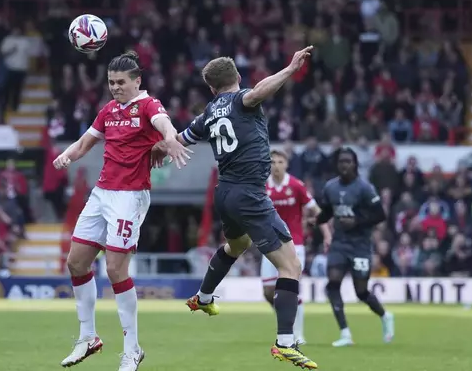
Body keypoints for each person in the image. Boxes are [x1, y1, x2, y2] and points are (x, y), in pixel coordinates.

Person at [152, 47, 317, 369]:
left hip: (225, 194)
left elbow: (181, 139)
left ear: (211, 88)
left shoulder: (207, 115)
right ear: (237, 78)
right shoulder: (242, 99)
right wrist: (290, 68)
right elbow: (258, 93)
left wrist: (160, 148)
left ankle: (204, 296)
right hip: (250, 194)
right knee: (291, 267)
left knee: (237, 244)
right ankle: (285, 342)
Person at [52, 50, 190, 371]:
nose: (115, 87)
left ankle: (132, 349)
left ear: (137, 80)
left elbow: (164, 125)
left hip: (130, 197)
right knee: (76, 263)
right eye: (111, 82)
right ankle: (88, 337)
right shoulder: (109, 110)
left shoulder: (148, 105)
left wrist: (170, 140)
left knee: (115, 270)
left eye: (121, 82)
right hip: (101, 193)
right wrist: (68, 156)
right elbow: (86, 142)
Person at [313, 147, 395, 347]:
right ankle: (345, 333)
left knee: (361, 292)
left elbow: (380, 215)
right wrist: (314, 220)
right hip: (339, 244)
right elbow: (326, 213)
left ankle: (385, 316)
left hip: (360, 245)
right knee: (332, 285)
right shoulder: (330, 187)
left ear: (355, 164)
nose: (344, 165)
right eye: (341, 161)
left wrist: (357, 221)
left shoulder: (365, 188)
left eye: (348, 161)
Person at [262, 150, 332, 345]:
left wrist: (326, 233)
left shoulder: (296, 186)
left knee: (290, 290)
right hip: (267, 243)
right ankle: (287, 320)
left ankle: (298, 334)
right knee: (268, 291)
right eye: (273, 162)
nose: (276, 165)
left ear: (286, 164)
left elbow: (316, 210)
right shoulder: (263, 185)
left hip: (294, 244)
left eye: (280, 161)